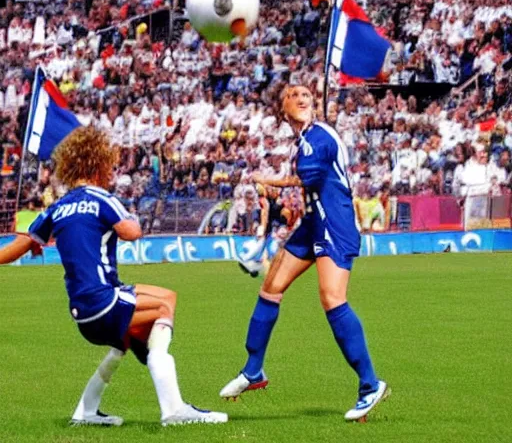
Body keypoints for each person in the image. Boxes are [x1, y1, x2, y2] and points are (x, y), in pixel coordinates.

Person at [0, 127, 227, 427]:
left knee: (127, 340)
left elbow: (24, 242)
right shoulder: (102, 198)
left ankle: (86, 413)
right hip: (104, 301)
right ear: (99, 164)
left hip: (82, 315)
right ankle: (174, 408)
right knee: (165, 301)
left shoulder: (57, 207)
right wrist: (129, 216)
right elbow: (132, 233)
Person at [220, 86, 390, 422]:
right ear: (282, 109)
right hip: (313, 221)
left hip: (334, 221)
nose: (301, 97)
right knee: (270, 288)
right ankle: (254, 370)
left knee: (332, 298)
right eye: (292, 94)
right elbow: (306, 181)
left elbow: (308, 176)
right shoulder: (303, 140)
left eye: (306, 95)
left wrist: (269, 180)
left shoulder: (319, 135)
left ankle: (370, 384)